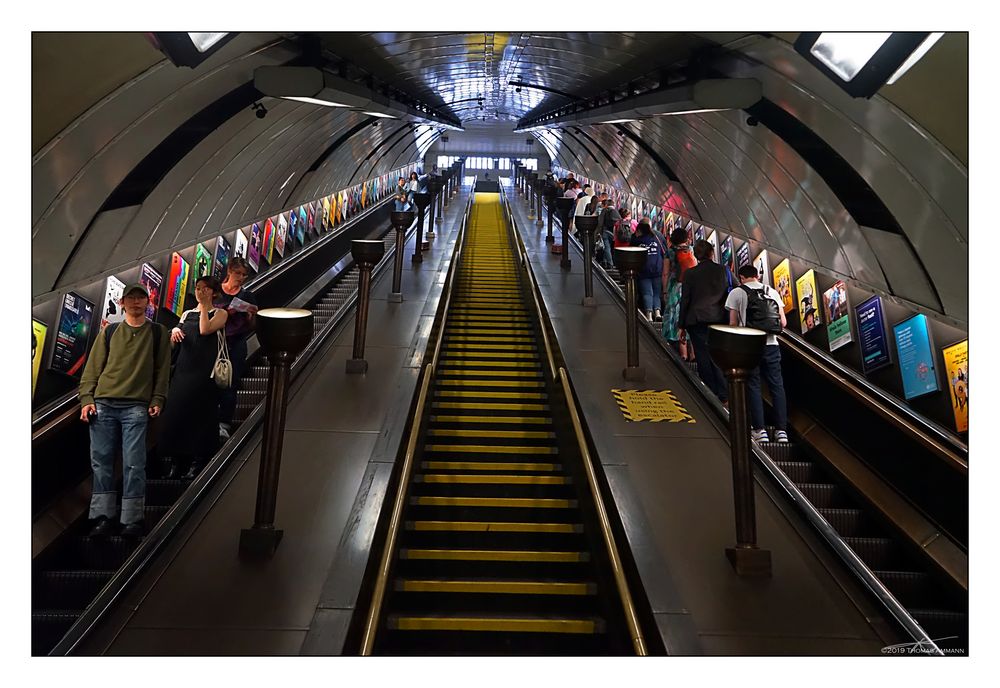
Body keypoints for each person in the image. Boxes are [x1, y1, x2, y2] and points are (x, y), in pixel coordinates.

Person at [79, 283, 171, 537]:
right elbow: (93, 368)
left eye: (140, 298)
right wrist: (87, 398)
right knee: (101, 463)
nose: (135, 302)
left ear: (148, 303)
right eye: (130, 298)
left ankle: (132, 518)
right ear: (121, 303)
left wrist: (158, 399)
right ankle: (102, 517)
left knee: (134, 463)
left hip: (136, 406)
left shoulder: (158, 333)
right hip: (104, 403)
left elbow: (162, 370)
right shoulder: (110, 332)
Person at [160, 276, 230, 479]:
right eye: (198, 288)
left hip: (204, 374)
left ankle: (198, 461)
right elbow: (175, 344)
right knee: (177, 415)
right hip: (183, 370)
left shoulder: (220, 313)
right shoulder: (186, 314)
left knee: (201, 416)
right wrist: (174, 331)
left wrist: (205, 307)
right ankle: (177, 461)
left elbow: (204, 330)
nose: (200, 292)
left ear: (214, 292)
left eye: (206, 289)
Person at [725, 265, 789, 443]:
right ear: (757, 276)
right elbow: (783, 322)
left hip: (750, 345)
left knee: (753, 385)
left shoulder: (737, 293)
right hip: (772, 345)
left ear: (742, 277)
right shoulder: (773, 292)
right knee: (777, 386)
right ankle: (781, 431)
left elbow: (732, 324)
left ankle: (760, 430)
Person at [678, 240, 729, 405]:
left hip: (696, 319)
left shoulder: (691, 274)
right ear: (711, 252)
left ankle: (709, 392)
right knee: (717, 356)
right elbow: (733, 289)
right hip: (718, 319)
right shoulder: (723, 270)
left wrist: (681, 325)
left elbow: (685, 300)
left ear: (696, 255)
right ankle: (724, 394)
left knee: (702, 356)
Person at [215, 257, 258, 441]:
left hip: (236, 343)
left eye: (244, 275)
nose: (241, 278)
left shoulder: (247, 296)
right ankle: (208, 420)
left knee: (231, 382)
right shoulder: (216, 292)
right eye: (238, 273)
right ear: (229, 271)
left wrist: (250, 316)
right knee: (210, 381)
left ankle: (224, 424)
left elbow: (253, 325)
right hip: (214, 341)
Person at [661, 227, 696, 352]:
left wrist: (664, 291)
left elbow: (665, 273)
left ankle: (683, 352)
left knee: (676, 316)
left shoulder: (670, 252)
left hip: (675, 286)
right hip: (690, 287)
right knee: (688, 315)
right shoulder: (691, 250)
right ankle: (693, 353)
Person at [629, 220, 666, 322]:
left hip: (643, 270)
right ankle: (658, 312)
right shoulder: (657, 237)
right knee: (657, 293)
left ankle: (649, 315)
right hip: (657, 269)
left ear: (639, 230)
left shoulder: (636, 240)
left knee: (647, 293)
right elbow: (664, 252)